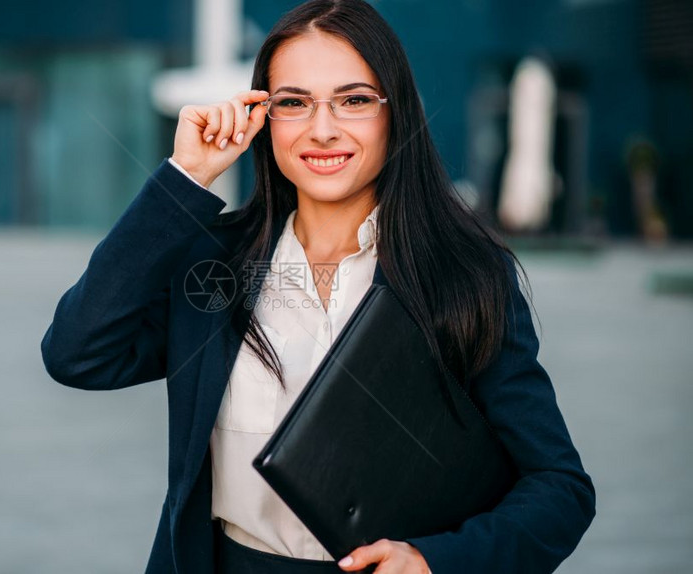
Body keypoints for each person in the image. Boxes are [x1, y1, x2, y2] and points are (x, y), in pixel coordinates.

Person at [40, 0, 596, 572]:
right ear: (263, 117)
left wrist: (436, 561)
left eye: (354, 100)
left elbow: (559, 487)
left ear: (394, 113)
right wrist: (185, 179)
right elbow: (76, 354)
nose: (322, 130)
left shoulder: (465, 273)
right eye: (294, 103)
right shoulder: (215, 264)